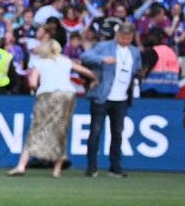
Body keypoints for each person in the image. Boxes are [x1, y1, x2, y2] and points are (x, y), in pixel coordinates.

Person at [8, 22, 95, 177]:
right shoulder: (66, 61)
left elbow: (32, 82)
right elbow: (87, 72)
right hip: (67, 95)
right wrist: (94, 81)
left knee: (36, 129)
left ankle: (21, 166)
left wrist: (34, 89)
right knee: (61, 131)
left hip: (48, 96)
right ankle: (57, 169)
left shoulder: (40, 63)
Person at [83, 21, 143, 177]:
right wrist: (102, 59)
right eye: (123, 36)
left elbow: (137, 68)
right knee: (95, 131)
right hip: (102, 96)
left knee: (117, 133)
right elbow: (86, 56)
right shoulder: (104, 46)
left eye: (128, 37)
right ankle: (92, 166)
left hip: (122, 98)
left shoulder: (134, 52)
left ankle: (115, 166)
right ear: (117, 35)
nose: (125, 39)